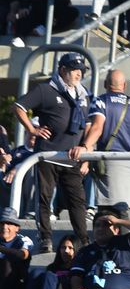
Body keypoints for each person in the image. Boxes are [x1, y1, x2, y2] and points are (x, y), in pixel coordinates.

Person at [14, 52, 92, 253]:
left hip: (72, 156)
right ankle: (45, 238)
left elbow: (89, 126)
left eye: (81, 71)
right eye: (75, 70)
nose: (78, 74)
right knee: (44, 198)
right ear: (62, 70)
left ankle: (83, 240)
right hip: (48, 154)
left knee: (77, 200)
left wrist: (87, 153)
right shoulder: (45, 89)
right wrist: (32, 129)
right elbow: (19, 106)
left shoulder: (84, 94)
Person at [72, 69, 130, 211]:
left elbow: (97, 127)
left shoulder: (101, 101)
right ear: (124, 85)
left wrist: (85, 147)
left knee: (108, 211)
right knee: (124, 209)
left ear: (105, 84)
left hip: (111, 160)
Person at [0, 206, 32, 289]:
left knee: (7, 261)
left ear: (17, 228)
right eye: (2, 223)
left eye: (9, 223)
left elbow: (23, 255)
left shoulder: (24, 240)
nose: (5, 227)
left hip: (16, 283)